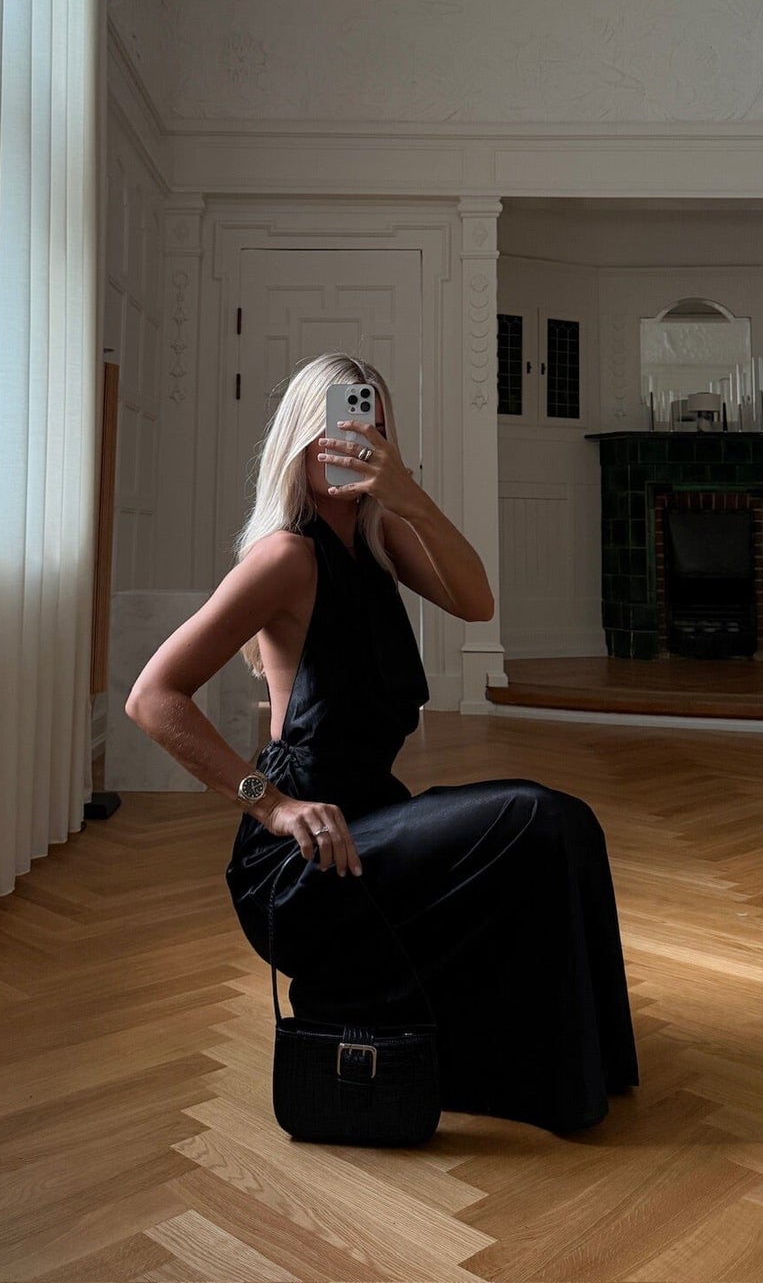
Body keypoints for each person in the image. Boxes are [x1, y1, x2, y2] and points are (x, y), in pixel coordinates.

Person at [125, 352, 639, 1135]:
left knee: (569, 823)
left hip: (373, 821)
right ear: (300, 441)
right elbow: (152, 697)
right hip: (302, 859)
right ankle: (555, 1083)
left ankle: (587, 1065)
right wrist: (271, 807)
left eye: (372, 428)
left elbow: (477, 601)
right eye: (334, 428)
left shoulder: (380, 538)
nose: (352, 443)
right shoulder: (287, 557)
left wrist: (410, 497)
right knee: (536, 816)